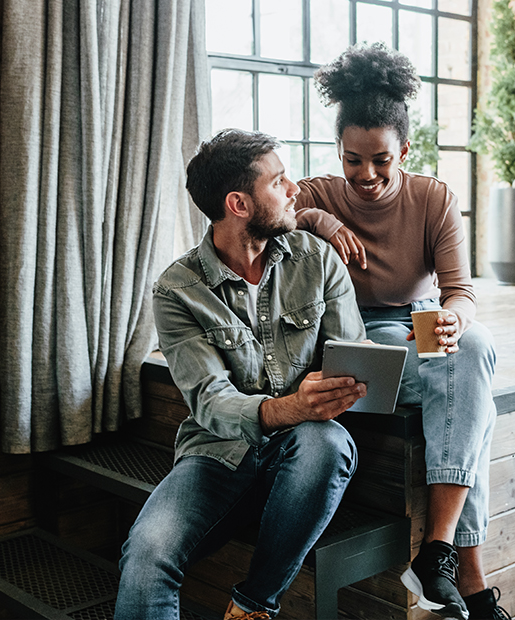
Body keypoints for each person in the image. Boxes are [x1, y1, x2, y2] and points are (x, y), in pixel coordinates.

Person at [115, 129, 369, 620]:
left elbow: (352, 357)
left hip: (304, 450)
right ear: (239, 203)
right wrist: (292, 405)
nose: (294, 188)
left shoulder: (316, 259)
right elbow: (210, 401)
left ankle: (252, 606)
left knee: (329, 441)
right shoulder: (177, 290)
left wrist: (344, 386)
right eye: (278, 182)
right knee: (146, 554)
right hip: (217, 454)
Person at [294, 43, 508, 620]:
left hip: (418, 324)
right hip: (359, 335)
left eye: (381, 160)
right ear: (339, 152)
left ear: (404, 150)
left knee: (476, 348)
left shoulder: (434, 198)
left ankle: (435, 549)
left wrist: (456, 316)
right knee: (471, 400)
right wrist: (322, 219)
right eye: (353, 160)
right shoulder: (318, 192)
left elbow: (461, 290)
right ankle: (468, 574)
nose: (367, 175)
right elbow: (277, 213)